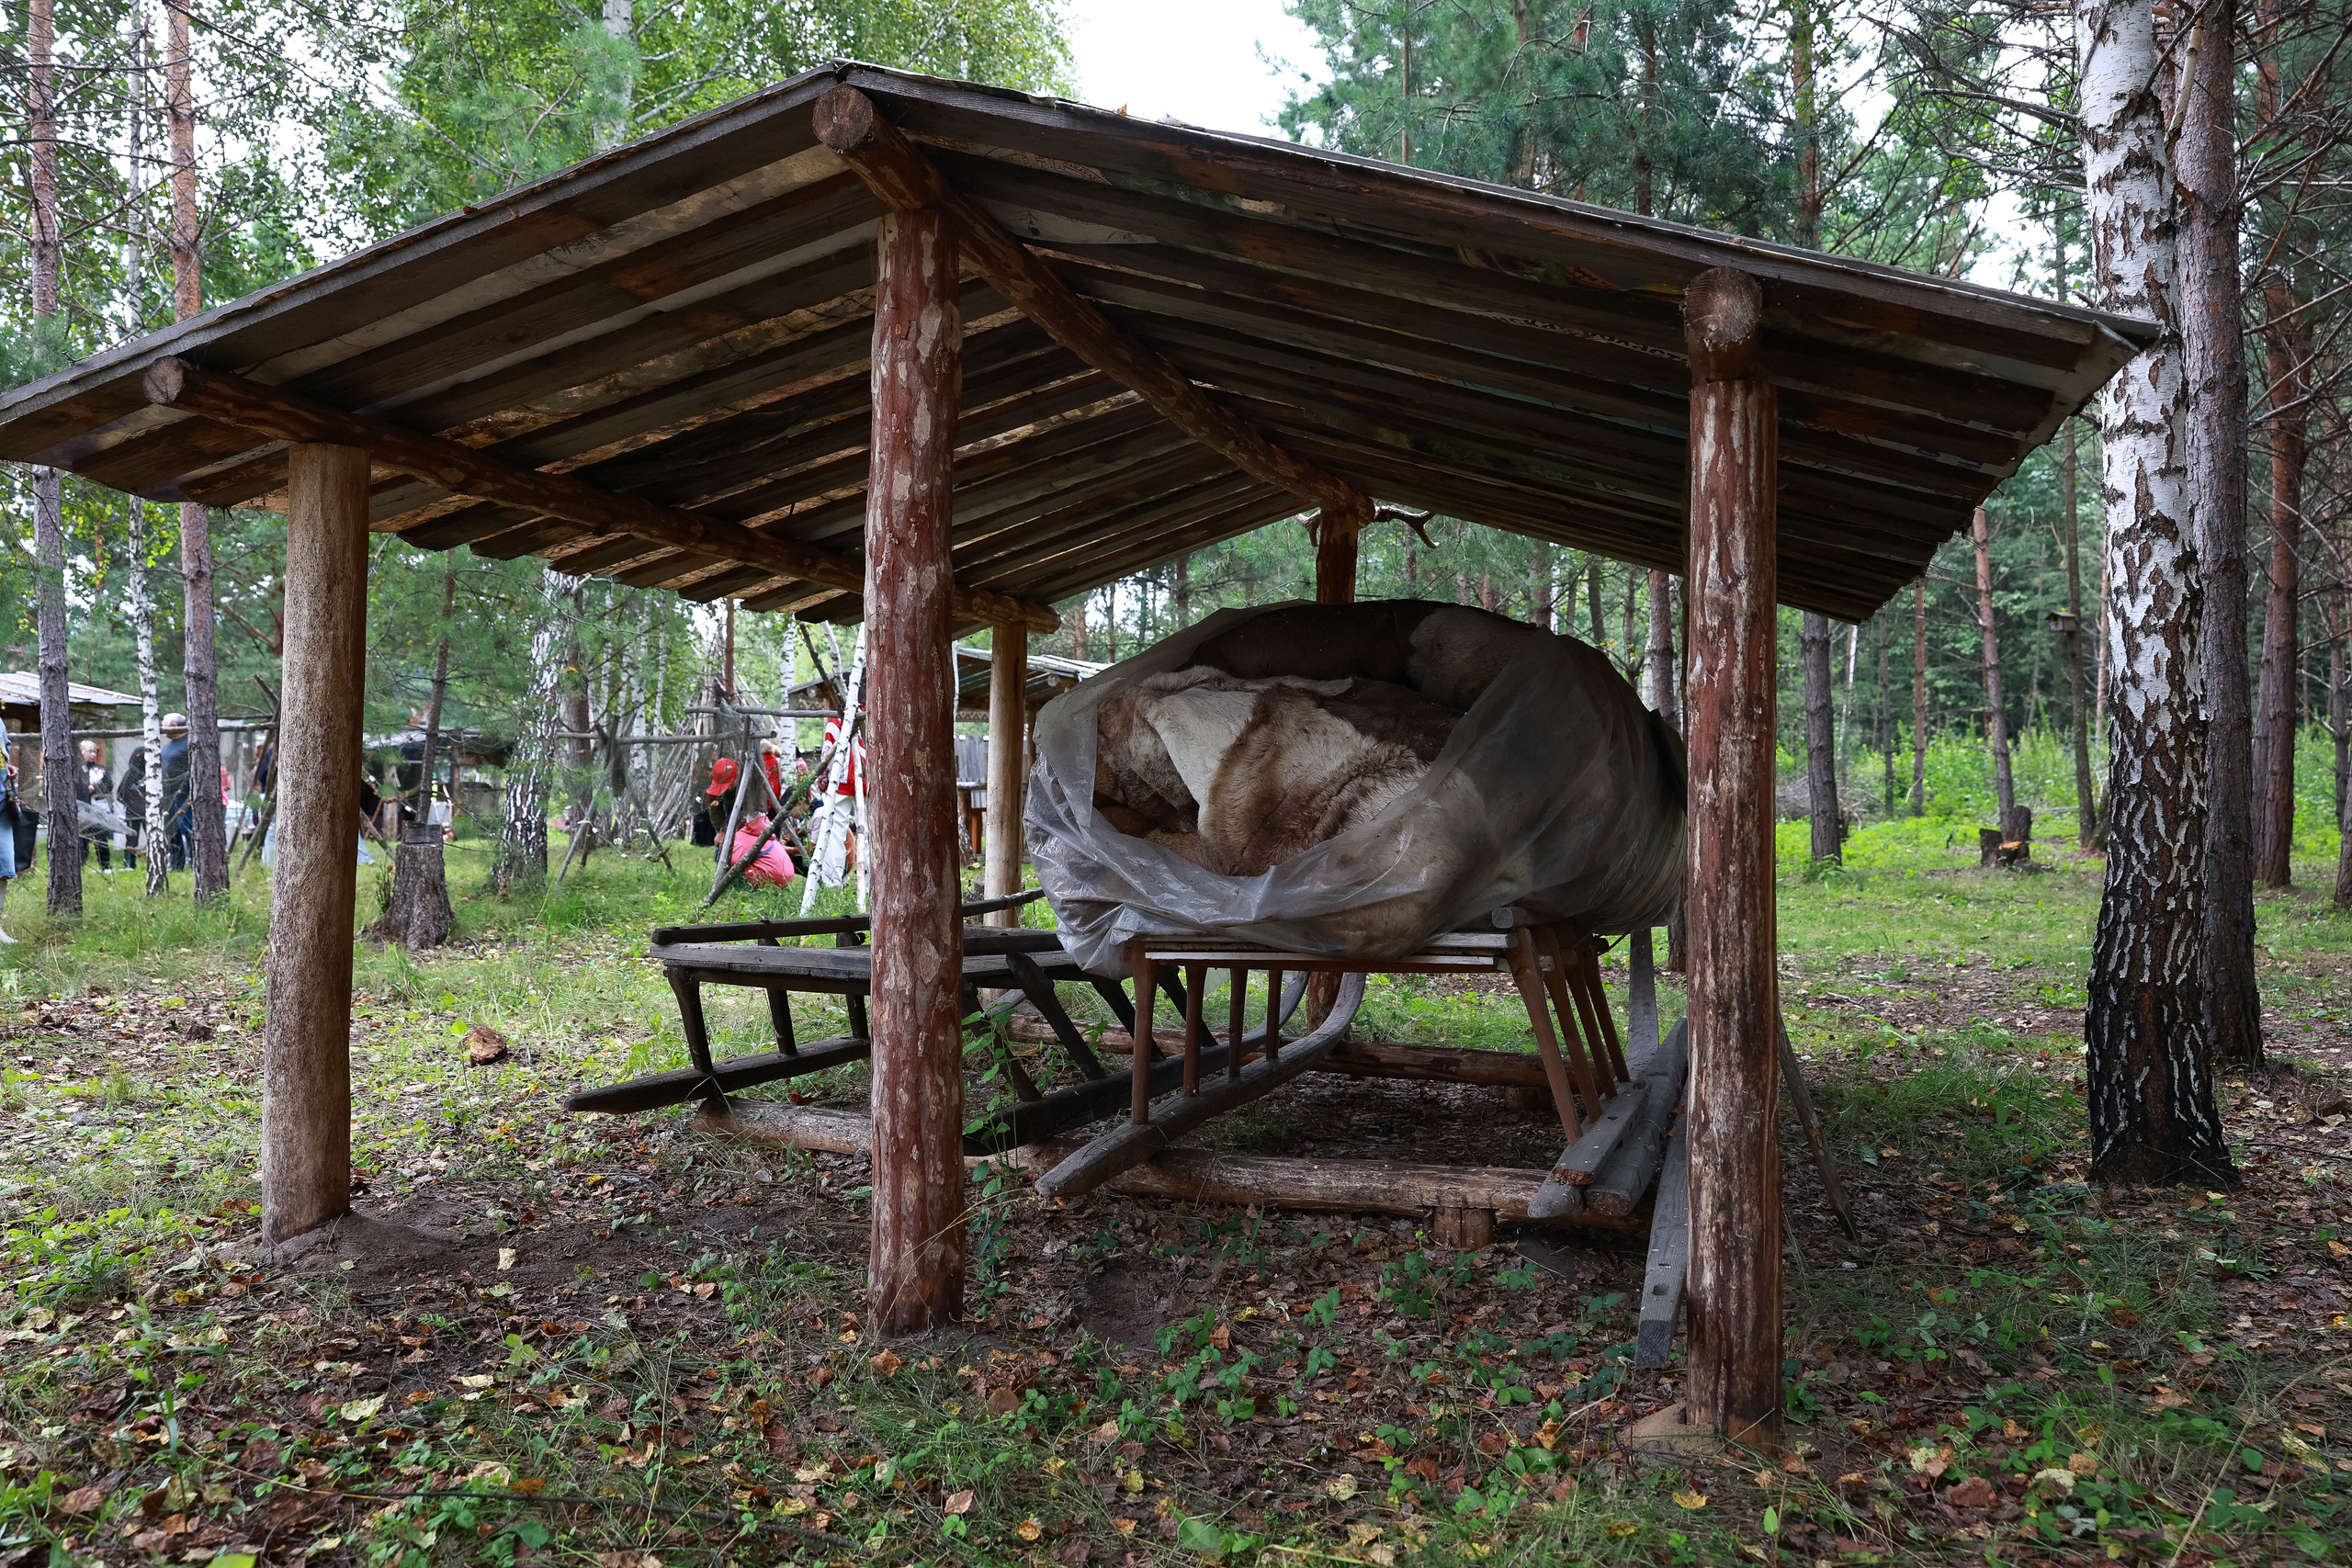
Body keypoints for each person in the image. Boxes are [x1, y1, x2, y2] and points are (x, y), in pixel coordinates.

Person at [159, 712, 192, 870]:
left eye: (164, 724)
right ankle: (177, 863)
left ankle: (194, 861)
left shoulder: (188, 744)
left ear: (174, 726)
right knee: (172, 830)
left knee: (187, 829)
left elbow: (192, 770)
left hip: (184, 796)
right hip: (167, 795)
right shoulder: (168, 746)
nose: (161, 727)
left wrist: (183, 789)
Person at [79, 740, 113, 871]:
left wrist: (95, 787)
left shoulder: (101, 770)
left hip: (99, 808)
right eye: (89, 751)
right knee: (82, 840)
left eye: (94, 751)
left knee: (101, 838)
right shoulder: (75, 769)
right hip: (82, 810)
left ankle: (105, 866)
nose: (93, 754)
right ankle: (80, 865)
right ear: (82, 752)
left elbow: (109, 785)